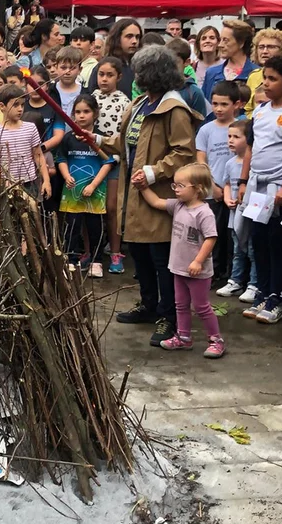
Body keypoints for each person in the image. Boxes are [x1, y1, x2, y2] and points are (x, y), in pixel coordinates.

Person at [97, 46, 199, 346]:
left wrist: (154, 172)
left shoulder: (174, 109)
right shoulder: (141, 103)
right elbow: (127, 142)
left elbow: (184, 152)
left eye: (140, 71)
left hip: (159, 193)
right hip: (134, 192)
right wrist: (98, 138)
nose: (136, 76)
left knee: (160, 257)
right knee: (139, 253)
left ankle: (169, 315)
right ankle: (148, 303)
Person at [236, 56, 282, 325]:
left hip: (278, 189)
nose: (266, 84)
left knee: (277, 242)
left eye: (272, 79)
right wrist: (243, 181)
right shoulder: (260, 111)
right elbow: (251, 148)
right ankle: (262, 291)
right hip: (257, 188)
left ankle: (276, 296)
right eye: (264, 78)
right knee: (258, 240)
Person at [136, 163, 224, 358]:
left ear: (197, 188)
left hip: (197, 272)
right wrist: (143, 187)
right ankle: (183, 337)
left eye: (180, 186)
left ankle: (216, 340)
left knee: (201, 307)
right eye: (175, 185)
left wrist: (198, 261)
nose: (175, 189)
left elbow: (211, 238)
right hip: (178, 268)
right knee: (181, 305)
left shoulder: (204, 213)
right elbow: (156, 202)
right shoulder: (178, 206)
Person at [56, 95, 113, 276]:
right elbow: (61, 159)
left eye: (86, 111)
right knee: (72, 227)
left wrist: (94, 185)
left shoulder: (100, 139)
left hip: (95, 192)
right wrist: (66, 176)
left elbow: (108, 162)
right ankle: (70, 260)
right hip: (72, 191)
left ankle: (96, 261)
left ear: (95, 113)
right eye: (78, 112)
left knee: (95, 228)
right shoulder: (68, 138)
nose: (81, 116)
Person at [197, 82, 240, 281]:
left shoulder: (241, 127)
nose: (218, 109)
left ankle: (230, 273)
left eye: (224, 104)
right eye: (215, 104)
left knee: (232, 235)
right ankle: (212, 272)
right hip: (212, 190)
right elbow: (201, 160)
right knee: (212, 232)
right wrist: (212, 186)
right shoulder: (206, 129)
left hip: (235, 190)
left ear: (236, 104)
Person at [90, 57, 128, 273]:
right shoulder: (91, 98)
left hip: (114, 160)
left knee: (112, 208)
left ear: (119, 77)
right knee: (90, 206)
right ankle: (91, 252)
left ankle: (115, 252)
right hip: (92, 159)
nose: (104, 79)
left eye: (109, 75)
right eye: (101, 74)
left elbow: (124, 135)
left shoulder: (124, 102)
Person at [0, 84, 50, 199]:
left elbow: (38, 156)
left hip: (29, 183)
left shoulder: (30, 128)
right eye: (15, 105)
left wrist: (46, 180)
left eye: (22, 105)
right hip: (6, 185)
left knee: (32, 208)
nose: (20, 109)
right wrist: (2, 180)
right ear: (2, 106)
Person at [219, 119, 259, 304]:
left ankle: (254, 284)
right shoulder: (229, 163)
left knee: (252, 249)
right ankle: (235, 281)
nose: (231, 140)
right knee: (237, 250)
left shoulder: (255, 163)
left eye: (236, 137)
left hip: (250, 214)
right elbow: (227, 184)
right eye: (229, 136)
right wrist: (227, 199)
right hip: (234, 216)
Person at [202, 19, 257, 100]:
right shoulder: (211, 73)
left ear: (241, 43)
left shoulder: (256, 74)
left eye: (225, 40)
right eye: (220, 40)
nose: (220, 45)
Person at [89, 19, 142, 98]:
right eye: (129, 36)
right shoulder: (104, 66)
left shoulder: (141, 67)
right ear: (117, 38)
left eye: (137, 37)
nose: (134, 41)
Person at [53, 46, 84, 117]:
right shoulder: (49, 92)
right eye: (63, 67)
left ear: (80, 69)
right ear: (56, 68)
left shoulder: (85, 93)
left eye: (72, 68)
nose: (67, 72)